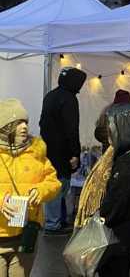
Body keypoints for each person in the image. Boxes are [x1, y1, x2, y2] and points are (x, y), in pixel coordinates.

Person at [0, 99, 61, 277]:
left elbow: (53, 182)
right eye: (17, 122)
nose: (24, 127)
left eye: (25, 122)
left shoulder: (36, 152)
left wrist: (40, 191)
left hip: (26, 236)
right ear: (4, 126)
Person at [95, 104, 130, 277]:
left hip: (119, 237)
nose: (109, 133)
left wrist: (101, 216)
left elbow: (115, 204)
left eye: (112, 127)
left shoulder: (129, 161)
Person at [39, 67, 87, 235]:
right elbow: (71, 129)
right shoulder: (69, 99)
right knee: (59, 187)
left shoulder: (51, 96)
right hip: (62, 152)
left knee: (54, 185)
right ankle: (53, 224)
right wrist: (75, 153)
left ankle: (56, 221)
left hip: (49, 149)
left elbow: (42, 124)